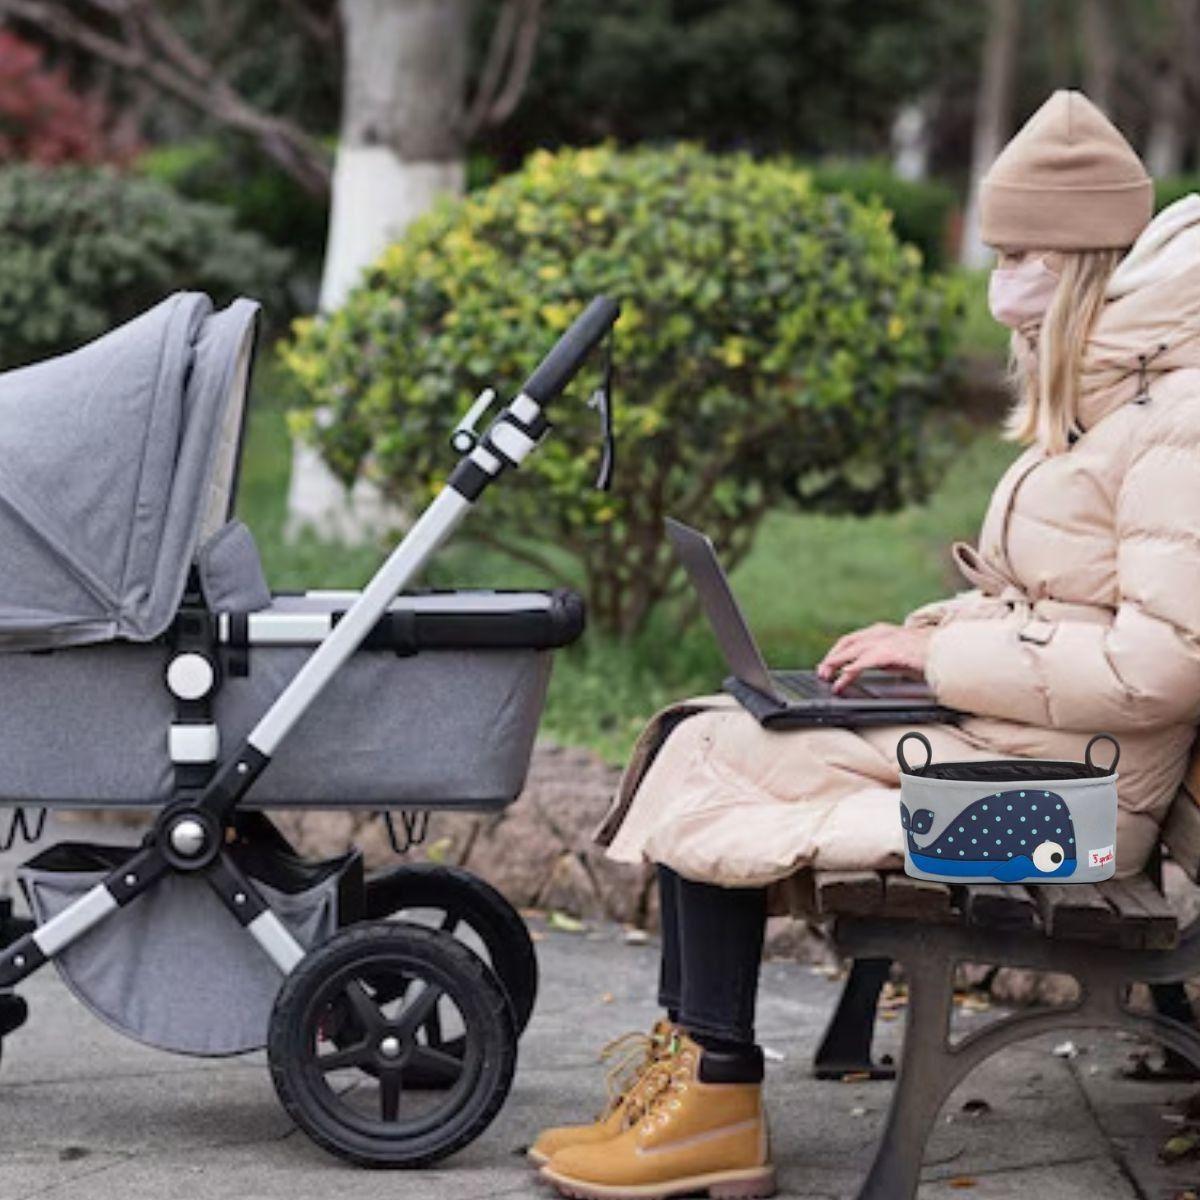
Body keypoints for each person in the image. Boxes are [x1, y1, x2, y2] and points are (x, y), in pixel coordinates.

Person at [531, 89, 1200, 1200]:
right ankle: (699, 1086)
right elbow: (1060, 600)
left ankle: (710, 1107)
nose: (1001, 284)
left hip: (1073, 817)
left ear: (1086, 264)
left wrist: (937, 665)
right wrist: (923, 634)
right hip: (1032, 759)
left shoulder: (1175, 420)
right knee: (710, 738)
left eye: (1022, 252)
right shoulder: (1106, 398)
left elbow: (1162, 664)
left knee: (719, 779)